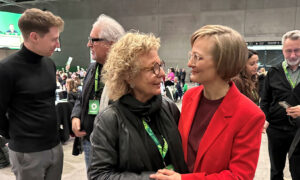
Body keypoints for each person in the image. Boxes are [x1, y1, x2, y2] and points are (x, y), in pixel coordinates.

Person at [150, 25, 265, 180]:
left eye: (198, 57)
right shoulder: (191, 97)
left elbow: (239, 176)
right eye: (191, 55)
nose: (190, 63)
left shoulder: (249, 114)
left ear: (223, 62)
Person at [88, 32, 188, 180]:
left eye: (160, 65)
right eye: (152, 68)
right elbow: (99, 175)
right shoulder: (109, 120)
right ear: (129, 76)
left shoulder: (168, 107)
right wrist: (153, 178)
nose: (161, 73)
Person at [0, 8, 64, 180]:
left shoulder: (49, 64)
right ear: (34, 37)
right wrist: (15, 136)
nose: (57, 45)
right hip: (27, 152)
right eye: (54, 39)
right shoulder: (6, 69)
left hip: (55, 147)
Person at [70, 14, 125, 169]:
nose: (88, 44)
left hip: (115, 147)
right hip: (89, 141)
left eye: (93, 40)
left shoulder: (126, 74)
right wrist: (75, 116)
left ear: (111, 44)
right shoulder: (92, 68)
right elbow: (81, 98)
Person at [260, 30, 300, 180]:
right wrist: (263, 118)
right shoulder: (273, 72)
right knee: (276, 170)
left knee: (298, 170)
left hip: (299, 131)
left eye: (297, 50)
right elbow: (264, 100)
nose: (293, 55)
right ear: (282, 50)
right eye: (288, 51)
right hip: (276, 130)